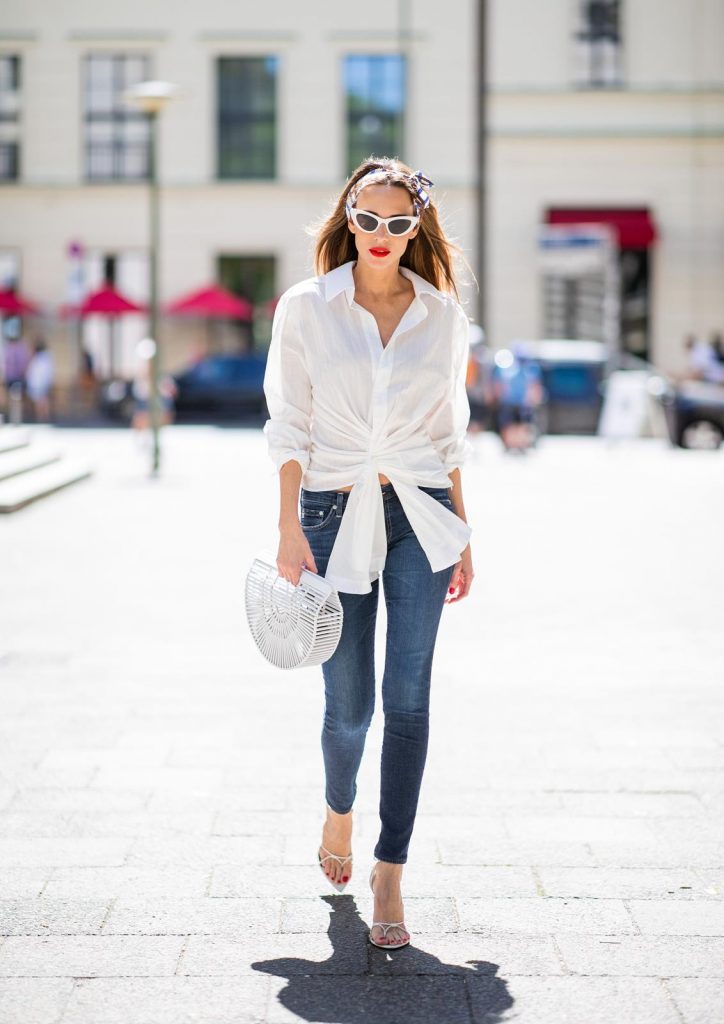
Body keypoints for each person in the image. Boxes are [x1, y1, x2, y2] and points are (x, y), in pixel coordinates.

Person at [262, 157, 475, 951]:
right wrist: (288, 528)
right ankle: (338, 810)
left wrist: (464, 531)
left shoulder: (443, 316)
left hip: (422, 512)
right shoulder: (306, 308)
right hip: (329, 508)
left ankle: (391, 869)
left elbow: (447, 431)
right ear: (348, 216)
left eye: (396, 223)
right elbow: (288, 424)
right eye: (366, 219)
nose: (380, 236)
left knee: (409, 701)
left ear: (416, 227)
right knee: (349, 707)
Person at [26, 338, 55, 422]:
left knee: (41, 400)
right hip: (42, 382)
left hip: (39, 382)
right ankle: (43, 416)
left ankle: (42, 416)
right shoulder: (46, 357)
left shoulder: (40, 358)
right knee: (42, 400)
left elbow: (35, 372)